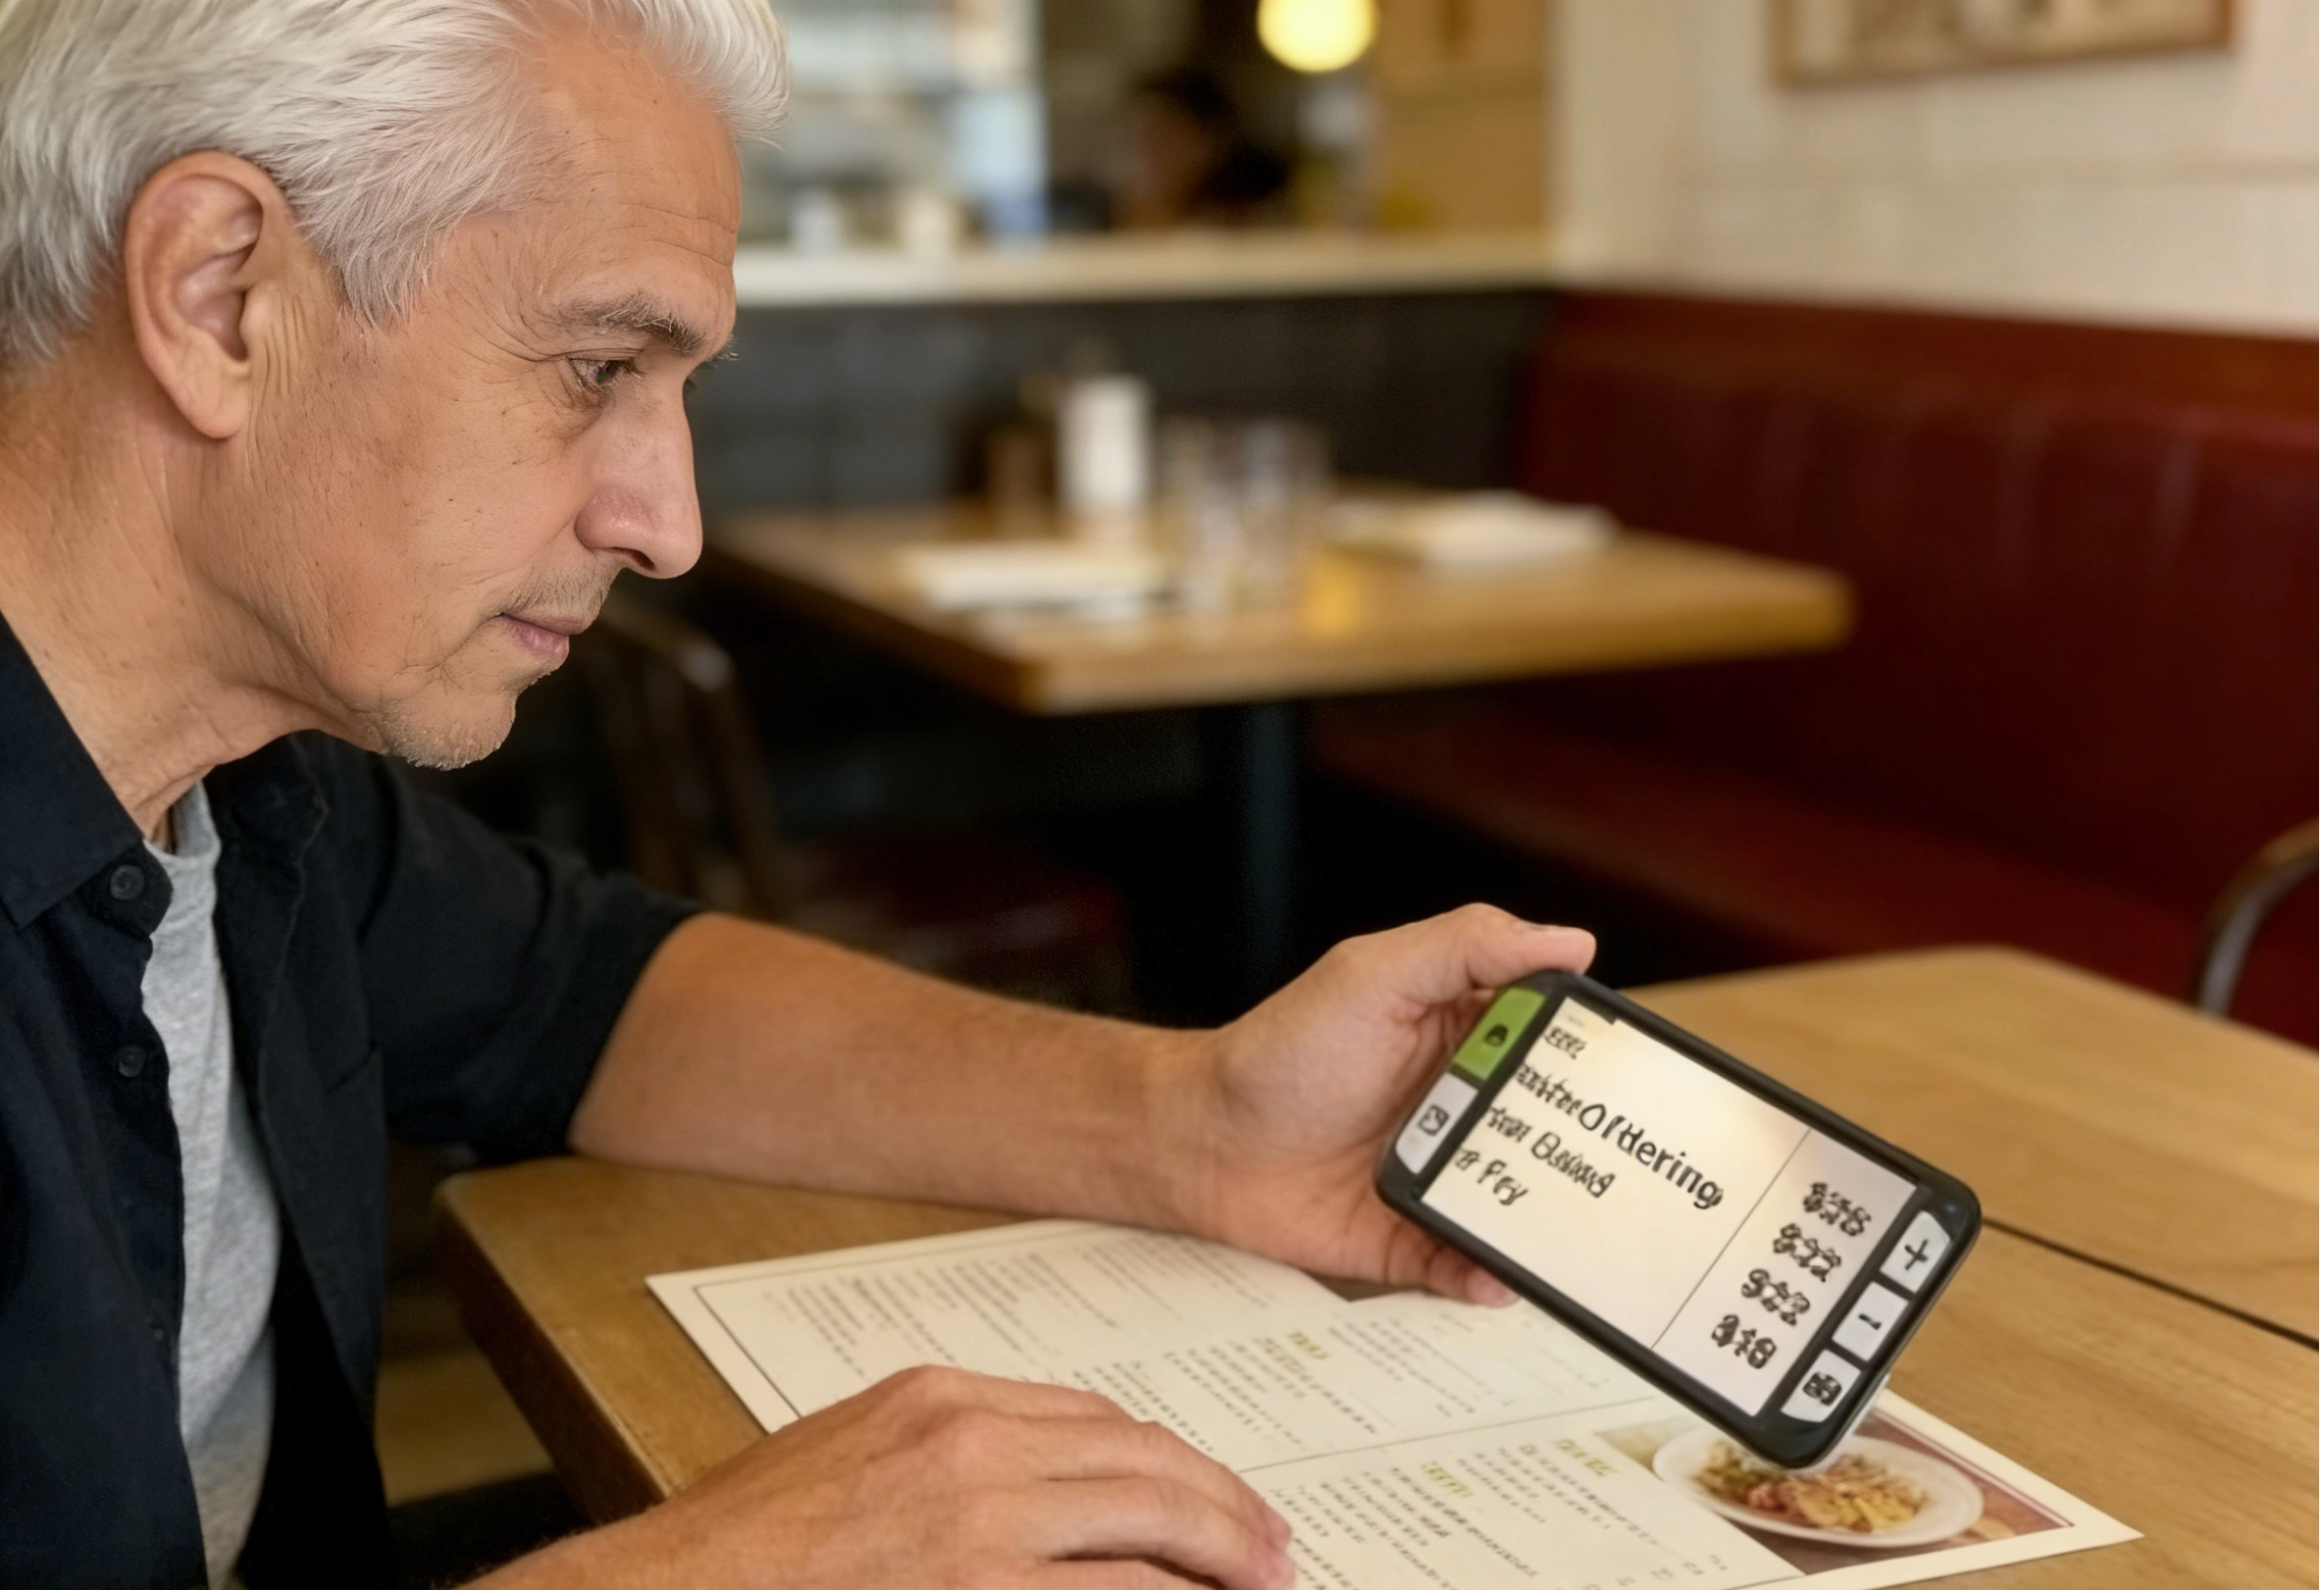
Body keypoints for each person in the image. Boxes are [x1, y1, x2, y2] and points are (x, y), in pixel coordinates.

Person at [0, 3, 1595, 1587]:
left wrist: (1201, 1122)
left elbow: (587, 995)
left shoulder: (267, 785)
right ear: (220, 296)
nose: (669, 522)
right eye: (599, 364)